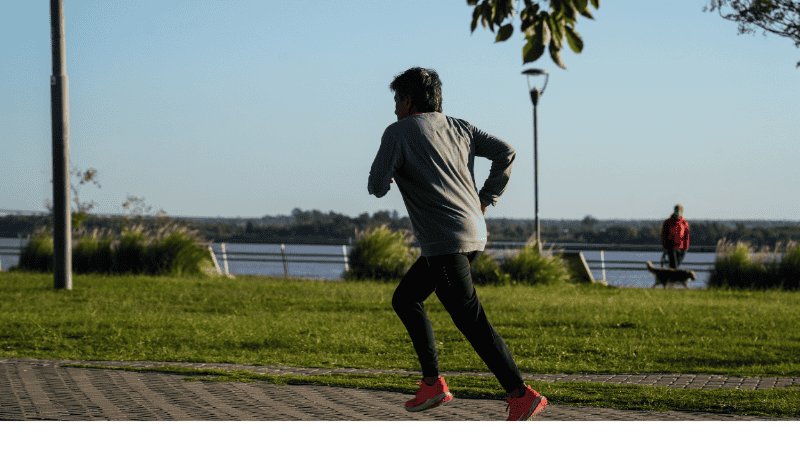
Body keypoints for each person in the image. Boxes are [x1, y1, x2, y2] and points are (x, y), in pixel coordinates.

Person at [368, 67, 547, 421]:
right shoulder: (461, 127)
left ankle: (521, 394)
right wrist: (487, 197)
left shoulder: (398, 131)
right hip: (472, 234)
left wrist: (388, 176)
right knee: (406, 298)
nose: (393, 109)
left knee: (472, 322)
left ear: (407, 101)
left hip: (447, 242)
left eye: (395, 101)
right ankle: (432, 383)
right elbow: (506, 152)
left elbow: (376, 185)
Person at [661, 204, 690, 269]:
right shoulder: (668, 222)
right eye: (676, 211)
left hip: (681, 249)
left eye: (679, 211)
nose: (678, 213)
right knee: (674, 267)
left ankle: (671, 278)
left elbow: (686, 236)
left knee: (675, 267)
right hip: (671, 248)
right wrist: (665, 247)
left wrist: (686, 248)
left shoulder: (684, 223)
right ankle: (672, 278)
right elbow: (664, 236)